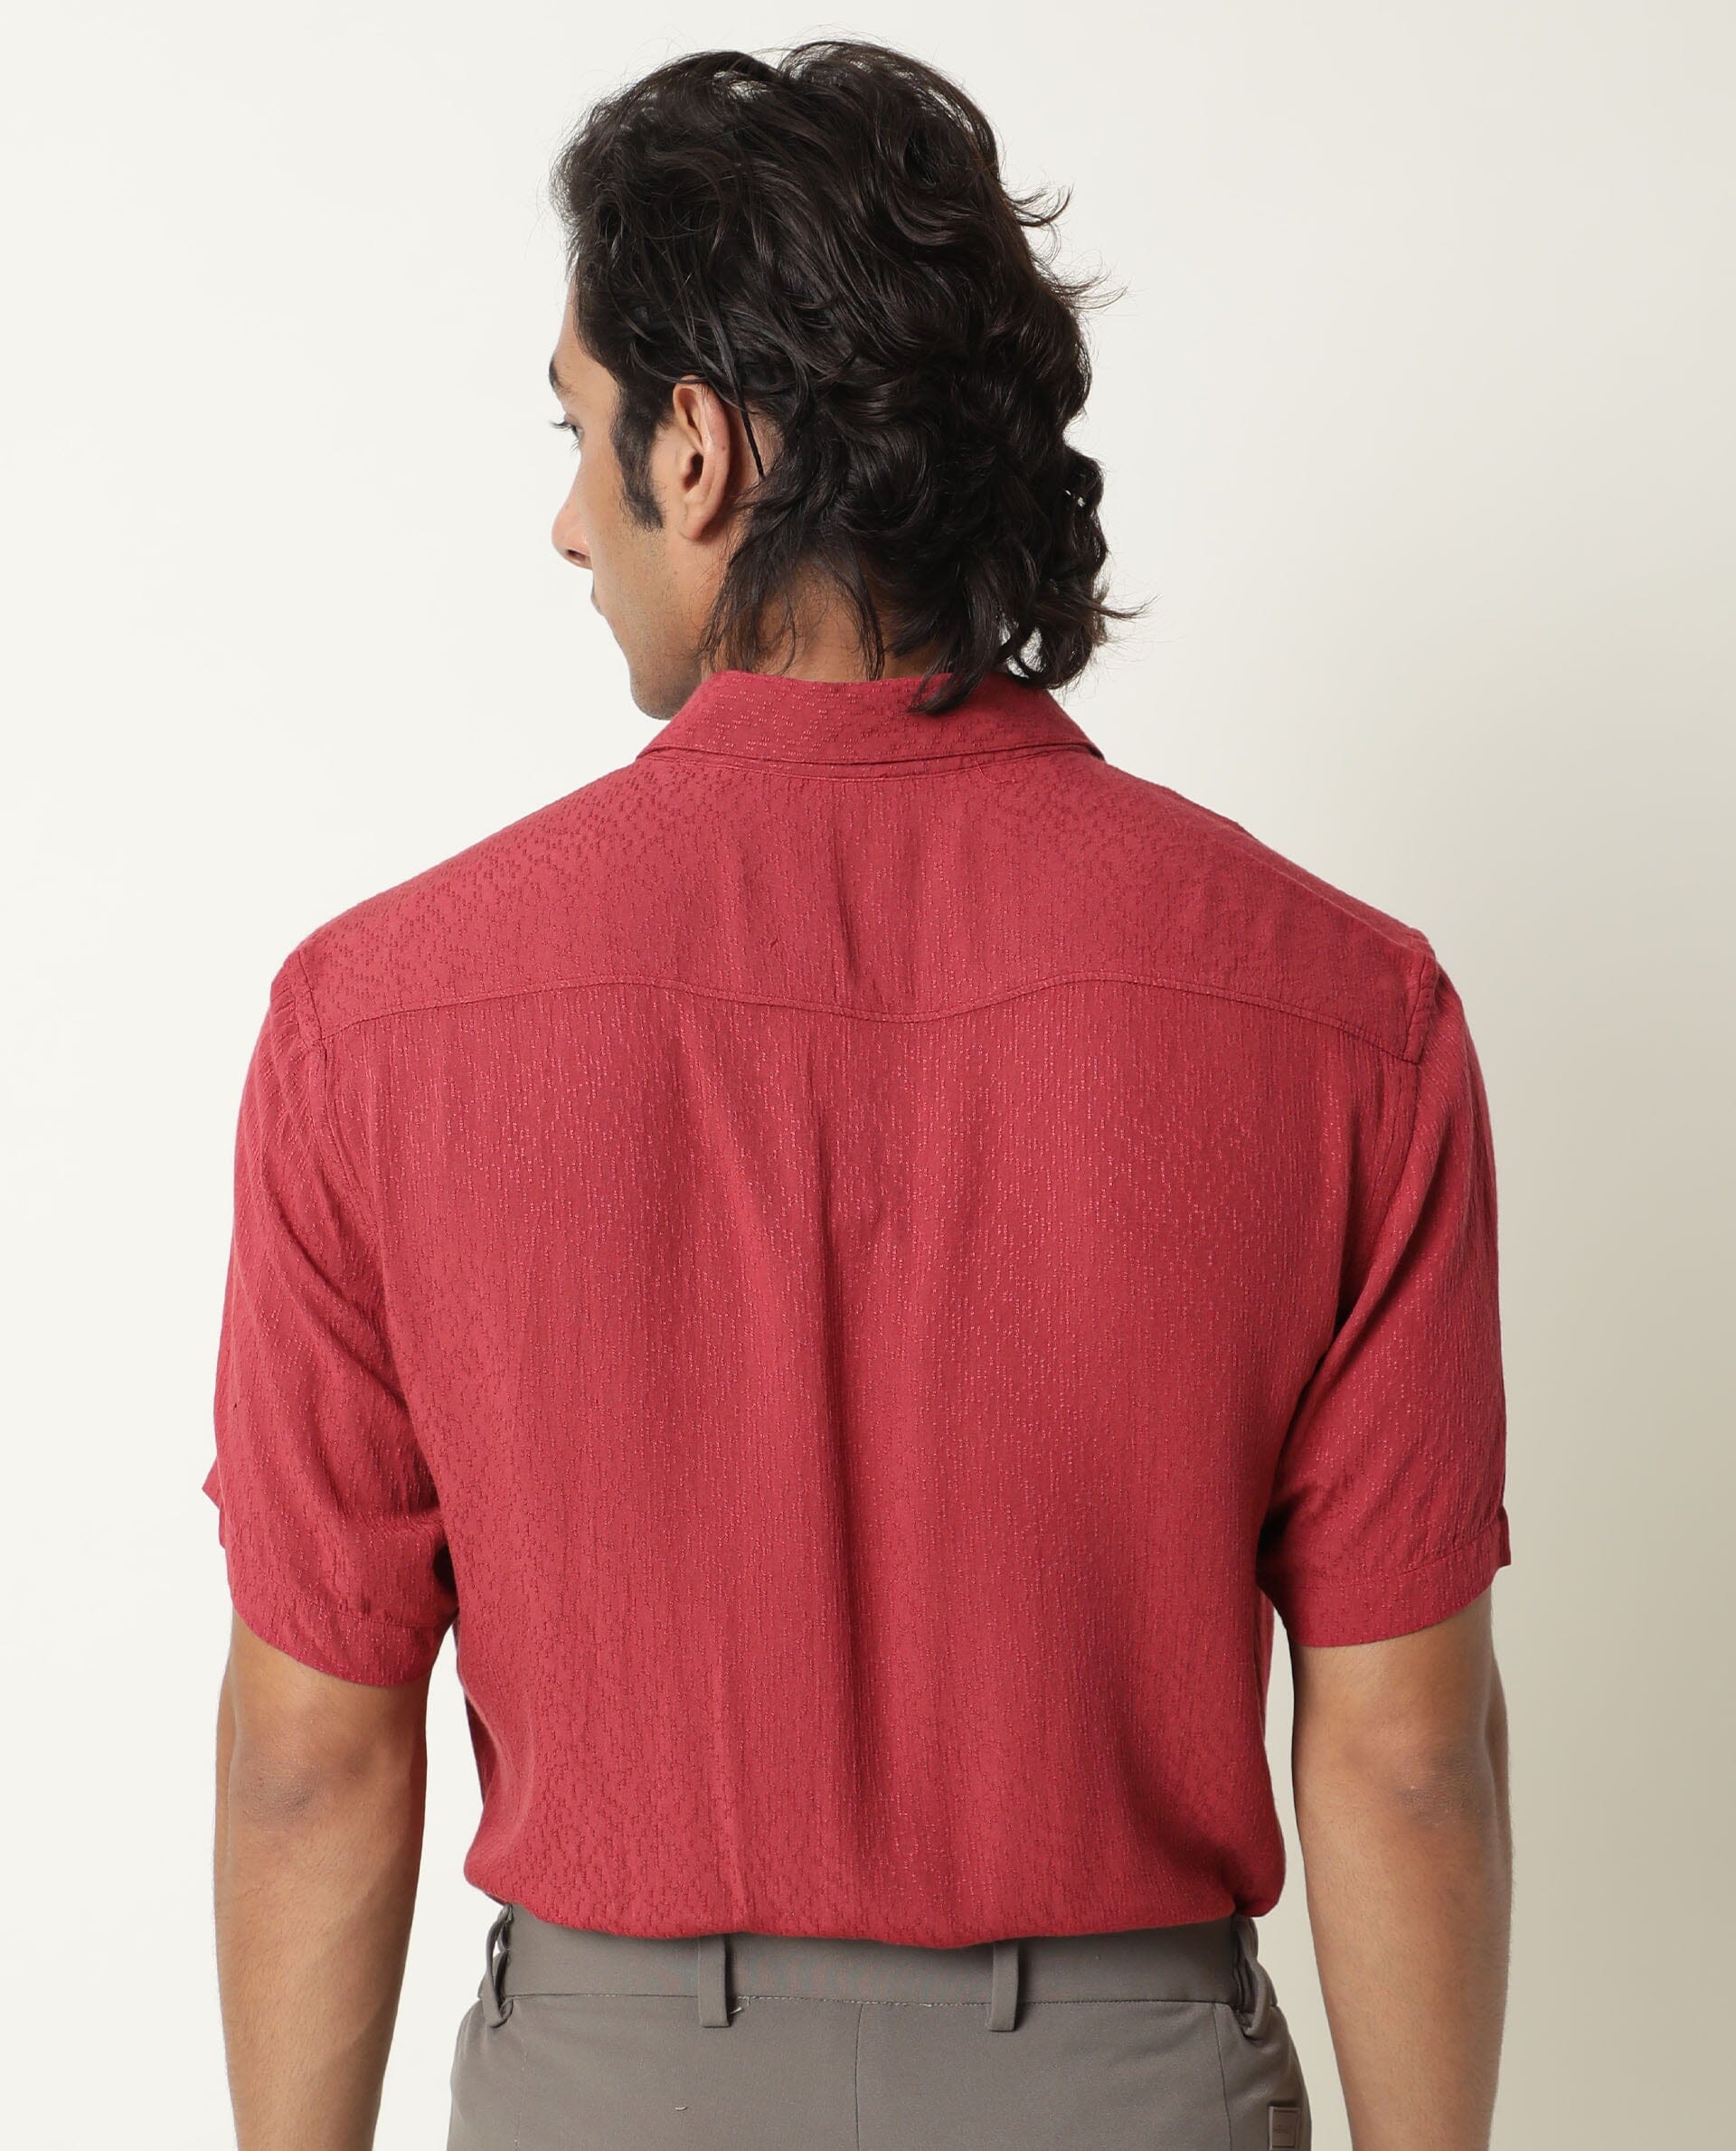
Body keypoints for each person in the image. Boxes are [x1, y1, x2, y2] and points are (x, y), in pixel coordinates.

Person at [202, 38, 1513, 2151]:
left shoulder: (375, 1023)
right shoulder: (1349, 1014)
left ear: (699, 449)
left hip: (606, 2095)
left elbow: (311, 1757)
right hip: (1134, 2089)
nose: (567, 520)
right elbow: (1404, 1756)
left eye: (581, 432)